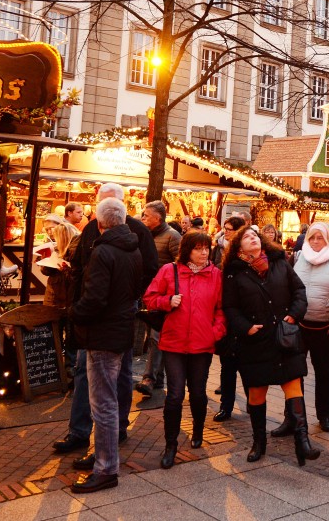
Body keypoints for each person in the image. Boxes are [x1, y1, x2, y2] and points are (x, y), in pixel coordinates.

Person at [51, 183, 153, 462]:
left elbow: (146, 270)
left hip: (112, 317)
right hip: (93, 315)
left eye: (110, 205)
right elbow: (83, 266)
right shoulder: (90, 231)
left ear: (121, 207)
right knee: (85, 373)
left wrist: (125, 299)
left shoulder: (136, 234)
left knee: (117, 378)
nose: (104, 211)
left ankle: (113, 435)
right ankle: (79, 431)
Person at [221, 227, 321, 466]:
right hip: (255, 341)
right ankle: (259, 442)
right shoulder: (234, 272)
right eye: (246, 237)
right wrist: (246, 327)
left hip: (284, 337)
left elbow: (299, 291)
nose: (252, 237)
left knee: (294, 387)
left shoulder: (279, 262)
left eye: (255, 234)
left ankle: (302, 441)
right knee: (256, 394)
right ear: (238, 247)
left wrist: (294, 315)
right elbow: (230, 308)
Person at [69, 198, 143, 493]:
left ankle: (106, 467)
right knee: (109, 399)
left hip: (102, 334)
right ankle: (104, 458)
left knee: (103, 403)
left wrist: (74, 312)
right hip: (121, 329)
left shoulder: (104, 251)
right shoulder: (133, 248)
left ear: (99, 223)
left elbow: (95, 299)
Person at [142, 230, 225, 469]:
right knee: (175, 394)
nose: (204, 252)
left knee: (198, 393)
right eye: (198, 248)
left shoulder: (215, 275)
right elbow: (149, 298)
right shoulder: (170, 270)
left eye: (206, 248)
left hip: (202, 344)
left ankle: (198, 429)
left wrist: (215, 332)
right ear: (187, 249)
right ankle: (171, 445)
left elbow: (222, 309)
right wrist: (167, 302)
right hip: (174, 343)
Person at [277, 221, 329, 434]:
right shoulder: (297, 257)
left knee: (323, 372)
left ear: (328, 240)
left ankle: (325, 416)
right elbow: (284, 287)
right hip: (298, 326)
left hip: (324, 327)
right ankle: (292, 418)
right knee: (293, 374)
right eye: (312, 238)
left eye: (320, 238)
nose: (316, 242)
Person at [137, 200, 181, 398]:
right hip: (147, 293)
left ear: (159, 217)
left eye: (146, 214)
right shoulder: (144, 234)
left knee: (156, 337)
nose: (142, 217)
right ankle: (157, 378)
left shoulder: (172, 236)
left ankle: (149, 378)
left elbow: (180, 266)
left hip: (163, 296)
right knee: (153, 337)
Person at [212, 216, 250, 421]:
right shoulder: (218, 249)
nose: (225, 232)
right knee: (227, 368)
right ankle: (226, 406)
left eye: (229, 229)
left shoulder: (250, 256)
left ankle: (253, 403)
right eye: (224, 228)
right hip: (226, 317)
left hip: (246, 319)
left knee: (247, 367)